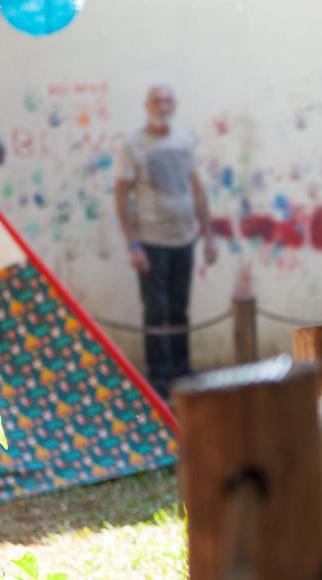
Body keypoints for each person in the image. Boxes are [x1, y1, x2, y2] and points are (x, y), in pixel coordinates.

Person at [114, 84, 217, 400]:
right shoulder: (133, 145)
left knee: (179, 310)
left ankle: (182, 372)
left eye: (168, 100)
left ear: (175, 105)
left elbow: (197, 190)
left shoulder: (184, 141)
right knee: (156, 312)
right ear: (147, 105)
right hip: (152, 243)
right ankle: (159, 379)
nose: (163, 106)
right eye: (157, 101)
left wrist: (208, 237)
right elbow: (121, 197)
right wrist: (133, 245)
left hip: (184, 240)